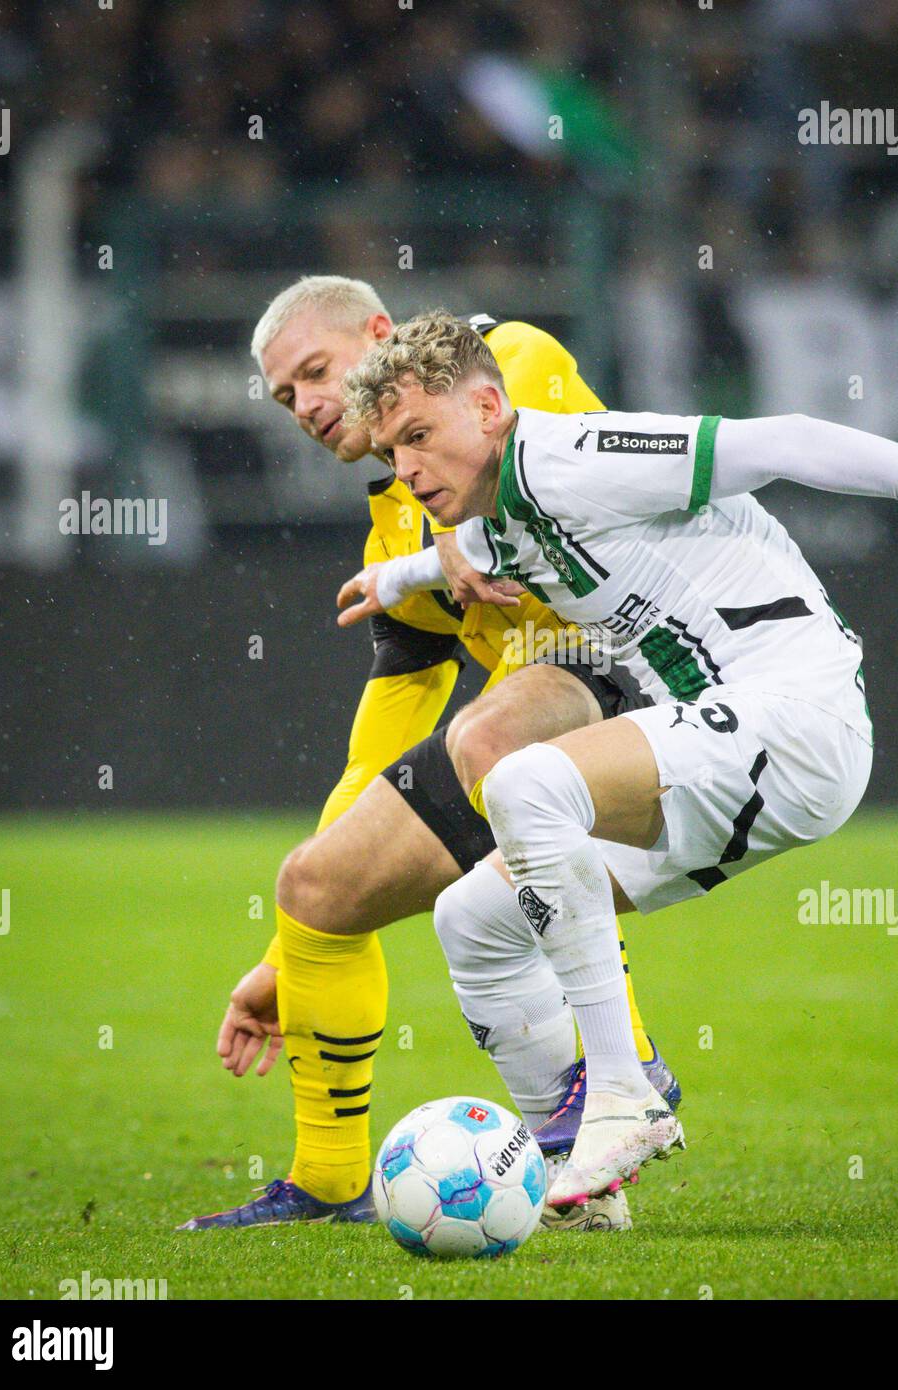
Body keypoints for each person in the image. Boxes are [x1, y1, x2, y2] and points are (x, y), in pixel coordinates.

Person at [341, 308, 898, 1209]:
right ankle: (580, 1193)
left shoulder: (570, 456)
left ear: (488, 408)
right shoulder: (501, 513)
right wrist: (391, 579)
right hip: (744, 746)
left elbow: (786, 439)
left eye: (420, 437)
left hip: (796, 714)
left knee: (524, 780)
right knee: (474, 918)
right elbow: (466, 555)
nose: (406, 470)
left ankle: (624, 1095)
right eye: (392, 452)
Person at [179, 279, 679, 1232]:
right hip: (561, 705)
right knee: (319, 888)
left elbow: (535, 468)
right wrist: (285, 954)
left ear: (381, 336)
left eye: (317, 373)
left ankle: (629, 1064)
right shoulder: (397, 523)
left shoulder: (510, 361)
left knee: (491, 734)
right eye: (286, 398)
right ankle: (333, 1180)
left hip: (656, 664)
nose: (308, 407)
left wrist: (473, 531)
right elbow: (371, 762)